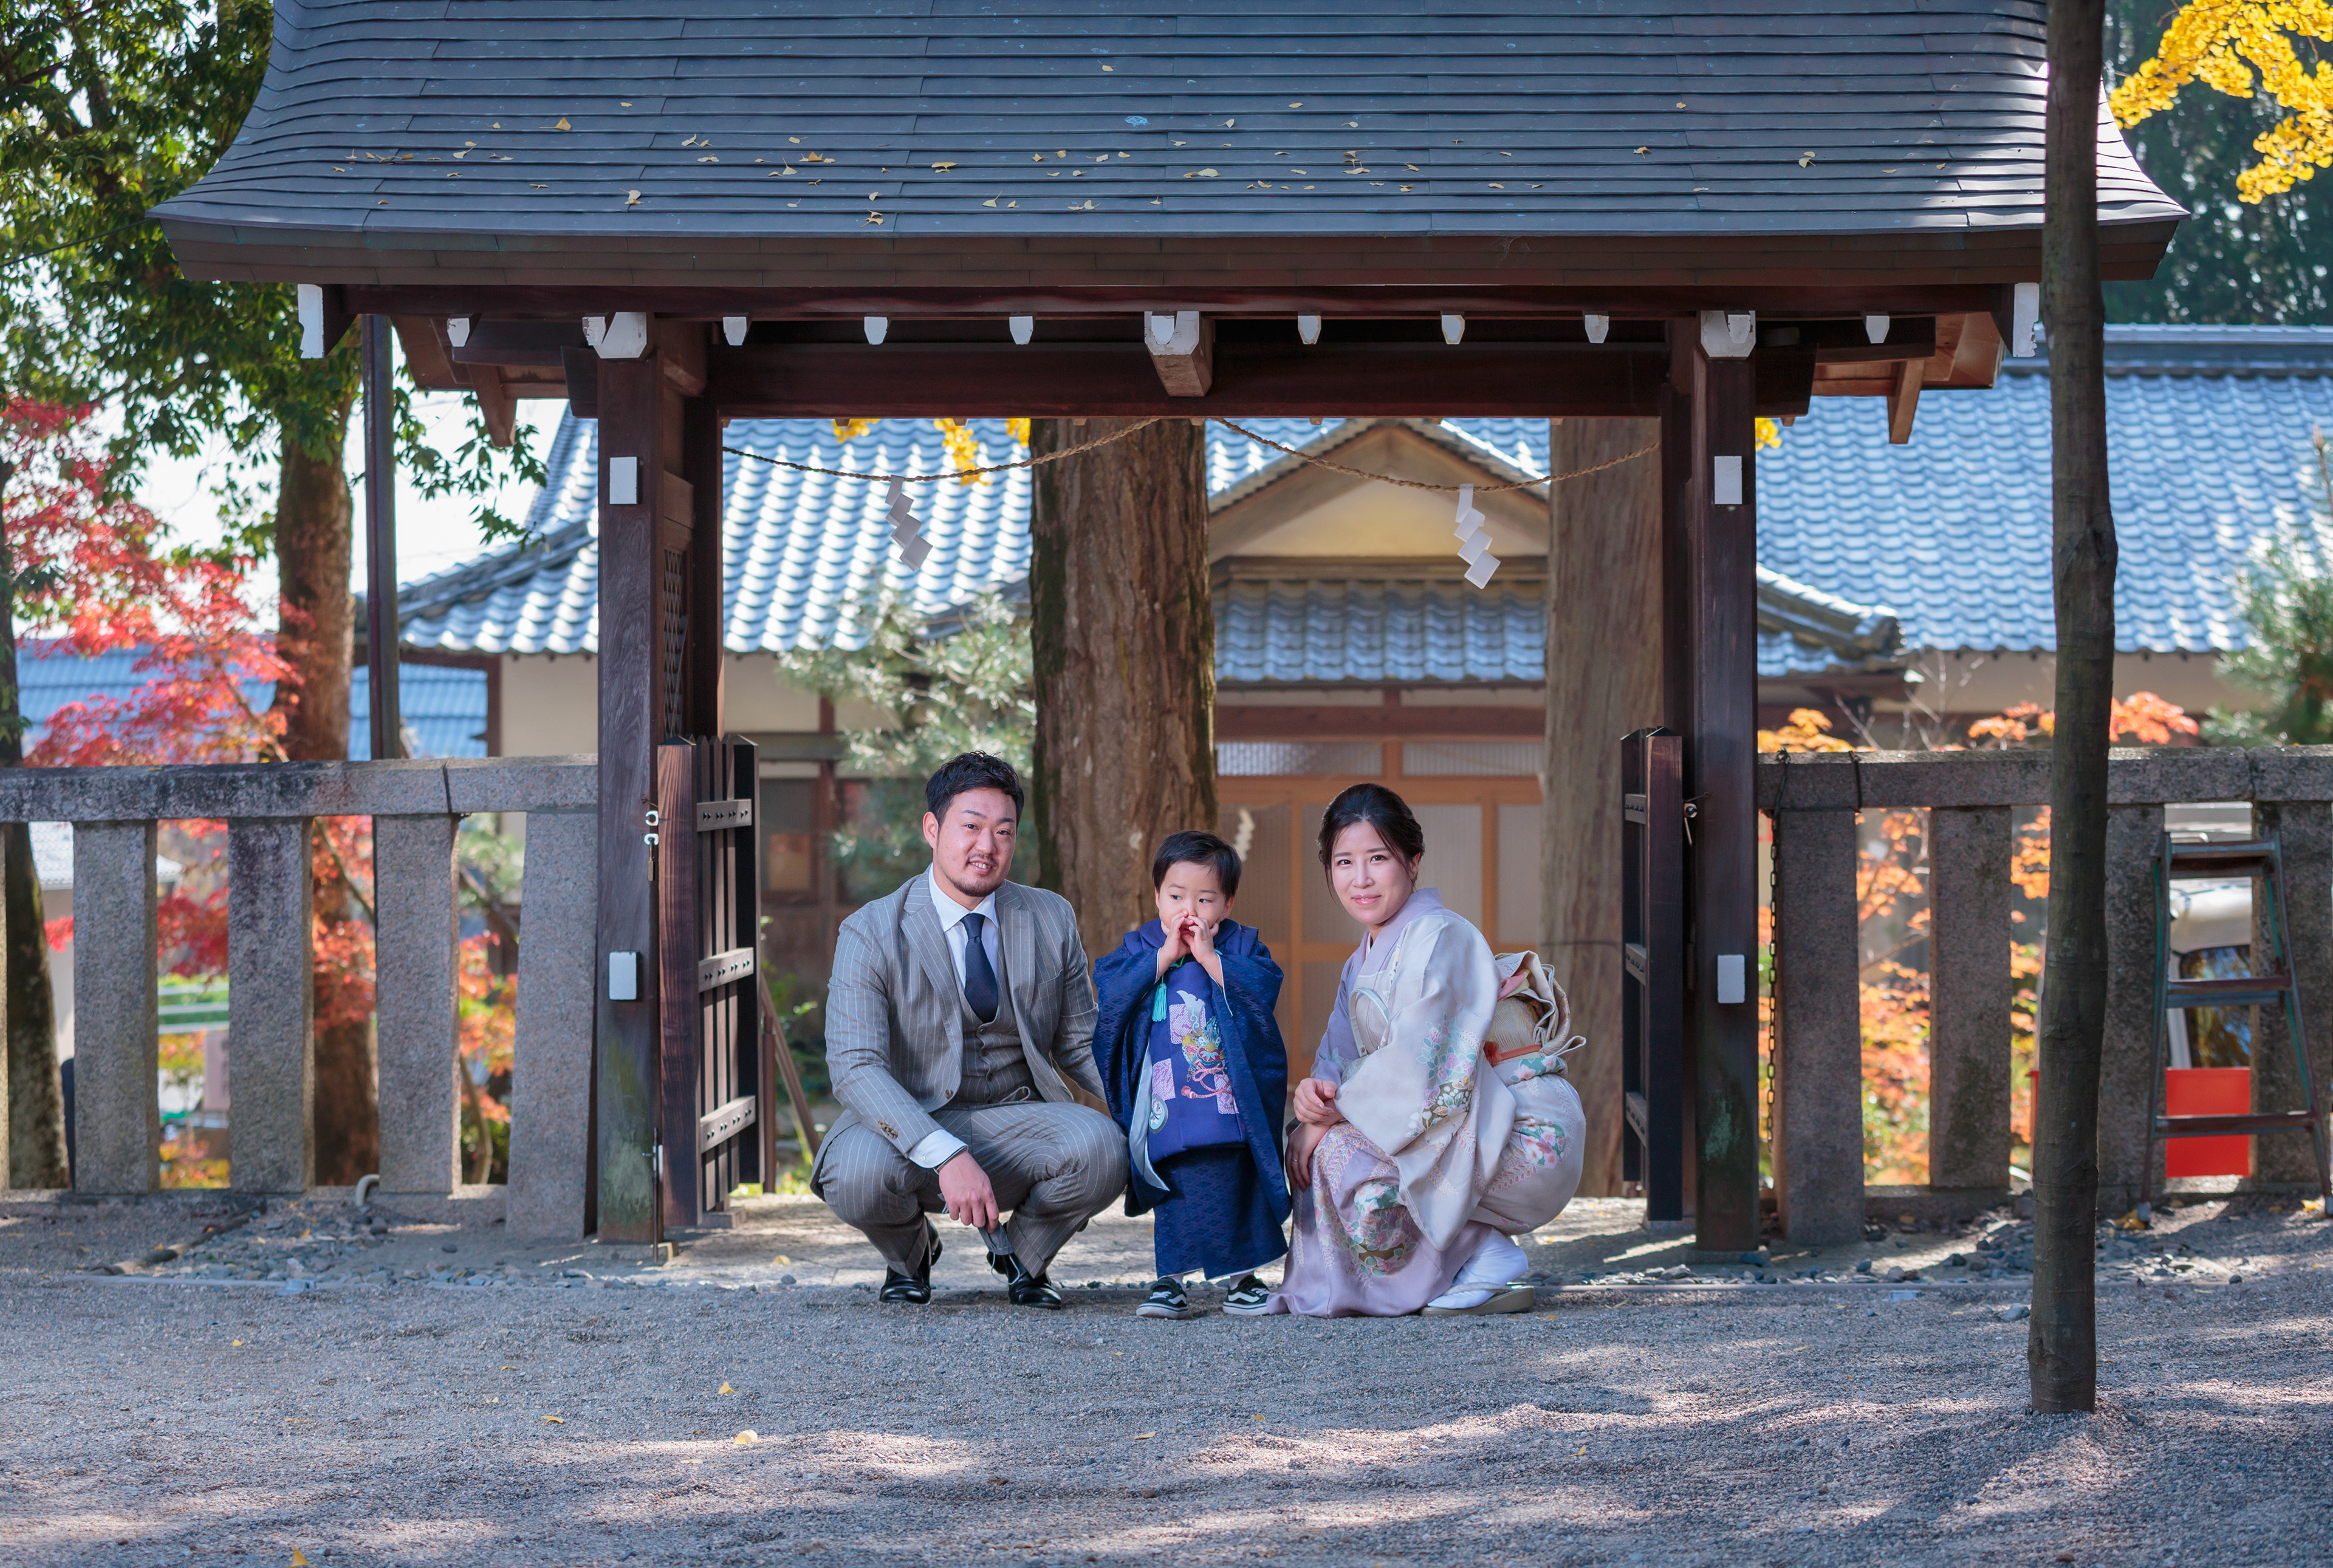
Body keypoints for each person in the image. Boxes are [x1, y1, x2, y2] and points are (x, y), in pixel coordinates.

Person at [812, 753, 1128, 1308]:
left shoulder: (1050, 917)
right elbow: (856, 1066)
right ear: (933, 829)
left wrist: (1156, 1111)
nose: (988, 845)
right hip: (914, 1123)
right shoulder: (870, 931)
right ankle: (909, 1254)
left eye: (1003, 831)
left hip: (1020, 1119)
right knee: (855, 1171)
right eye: (972, 826)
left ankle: (1023, 1257)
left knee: (1105, 1147)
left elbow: (1082, 1043)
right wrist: (945, 1153)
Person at [1272, 783, 1586, 1318]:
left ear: (1413, 862)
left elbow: (1423, 1064)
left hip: (1520, 1128)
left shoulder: (1441, 935)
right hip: (1466, 1123)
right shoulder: (1362, 960)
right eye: (1344, 861)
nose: (1361, 878)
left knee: (1339, 1154)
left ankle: (1482, 1252)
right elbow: (1336, 1053)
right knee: (1309, 1147)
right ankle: (1457, 1258)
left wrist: (1333, 1116)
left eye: (1378, 858)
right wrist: (1313, 1102)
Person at [1091, 830, 1290, 1319]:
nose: (1190, 908)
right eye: (1177, 896)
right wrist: (1161, 959)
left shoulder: (1241, 945)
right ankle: (1170, 1281)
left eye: (1205, 898)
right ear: (1157, 895)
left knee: (1235, 1179)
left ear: (1227, 903)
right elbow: (1112, 997)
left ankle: (1244, 1279)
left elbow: (1261, 993)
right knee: (1173, 1185)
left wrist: (1208, 958)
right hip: (1166, 1095)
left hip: (1227, 1095)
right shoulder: (1139, 946)